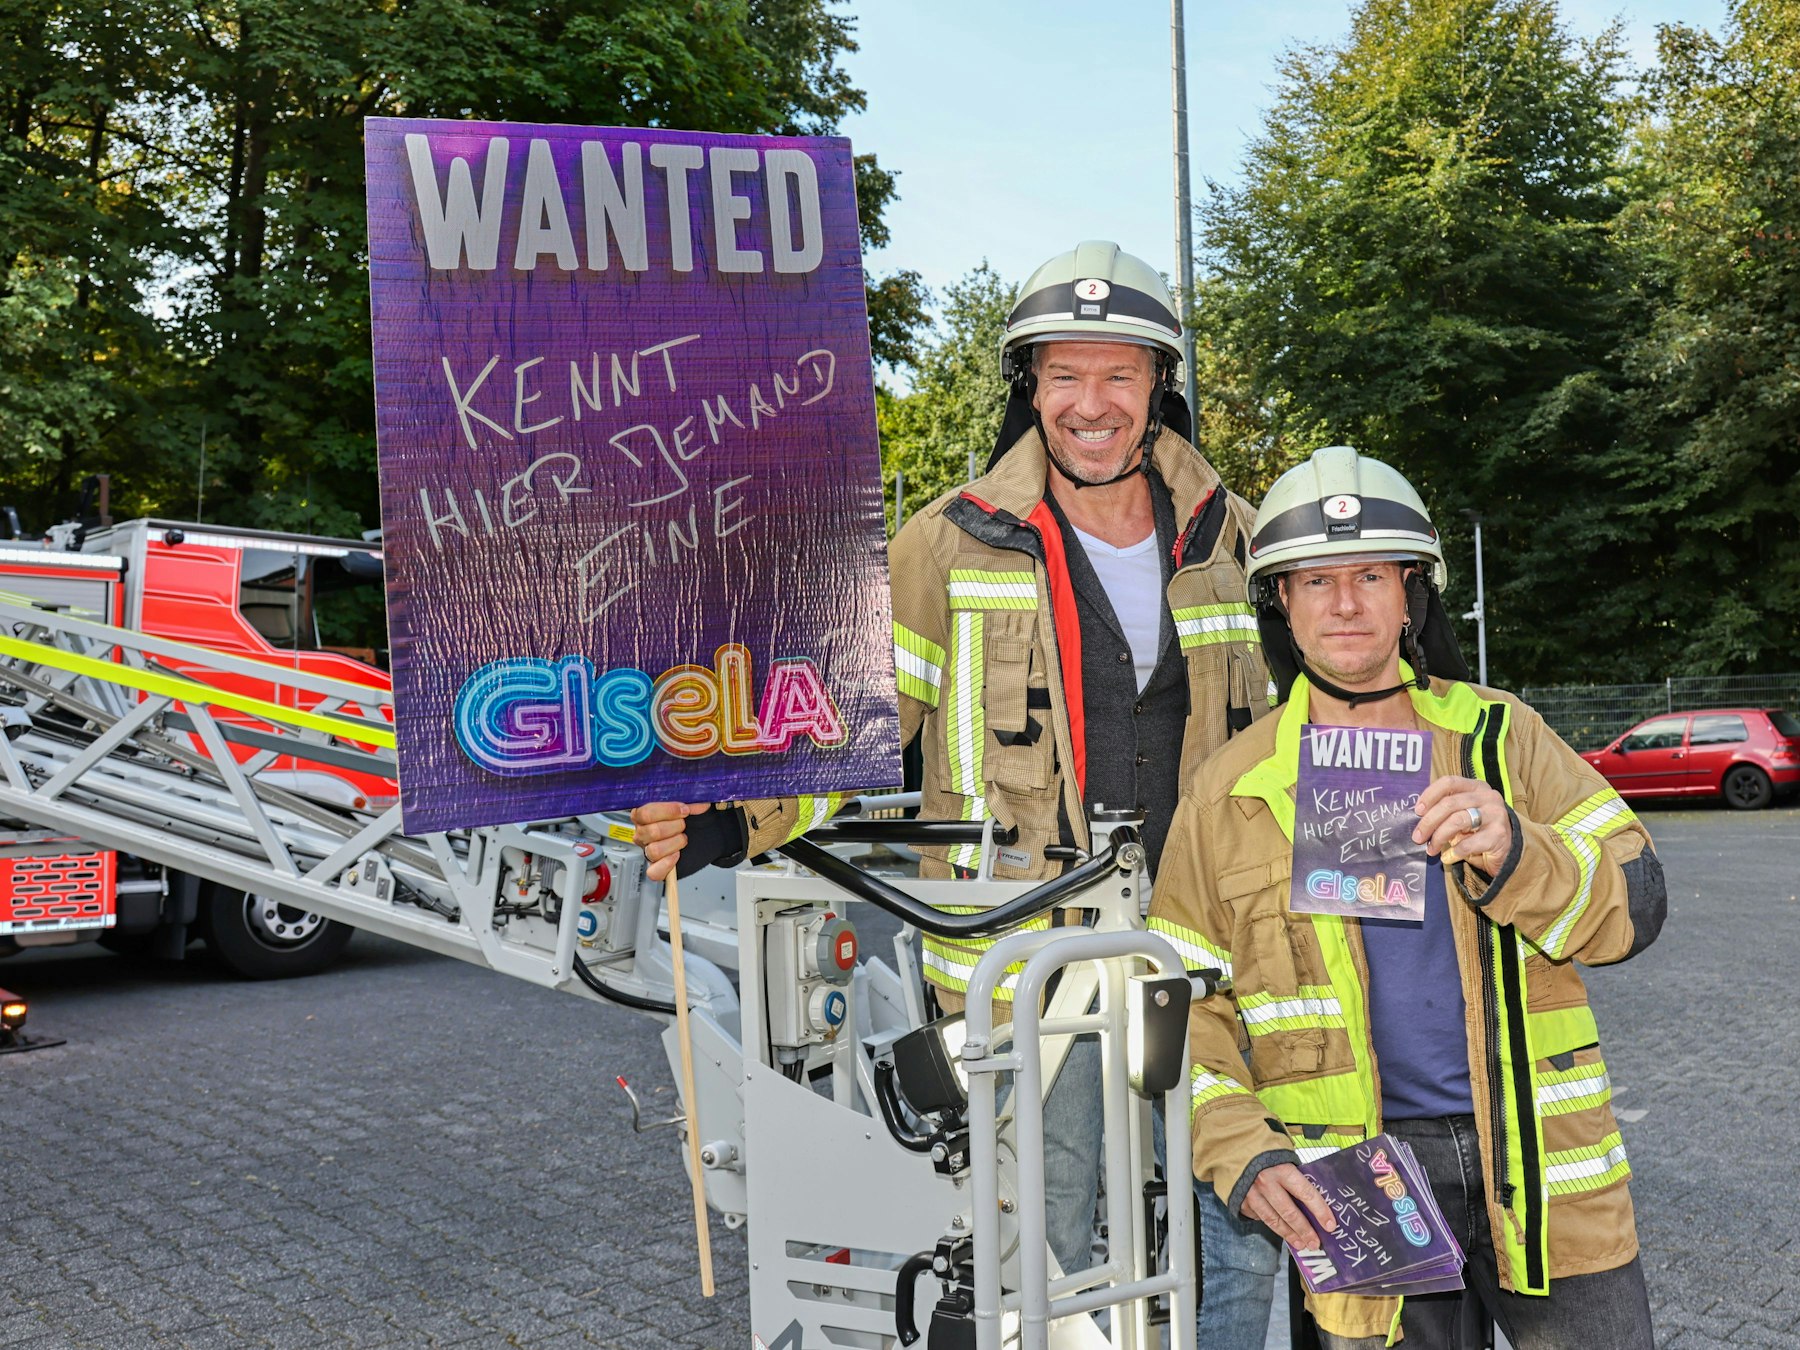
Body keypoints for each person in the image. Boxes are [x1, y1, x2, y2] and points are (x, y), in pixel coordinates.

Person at [633, 241, 1281, 1347]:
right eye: (1064, 375)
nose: (1092, 404)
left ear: (1159, 386)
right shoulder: (949, 539)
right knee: (1065, 1257)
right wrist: (730, 816)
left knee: (1241, 1222)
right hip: (1035, 966)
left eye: (1120, 375)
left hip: (1206, 955)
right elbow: (854, 724)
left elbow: (1308, 720)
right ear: (1028, 386)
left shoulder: (1238, 536)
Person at [1150, 445, 1667, 1348]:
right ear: (1281, 601)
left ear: (1410, 593)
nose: (1344, 603)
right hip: (1359, 1180)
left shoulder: (1508, 737)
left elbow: (1641, 901)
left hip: (1545, 1167)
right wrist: (1240, 1147)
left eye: (1369, 576)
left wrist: (1520, 850)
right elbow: (1182, 1001)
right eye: (1314, 580)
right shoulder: (1227, 788)